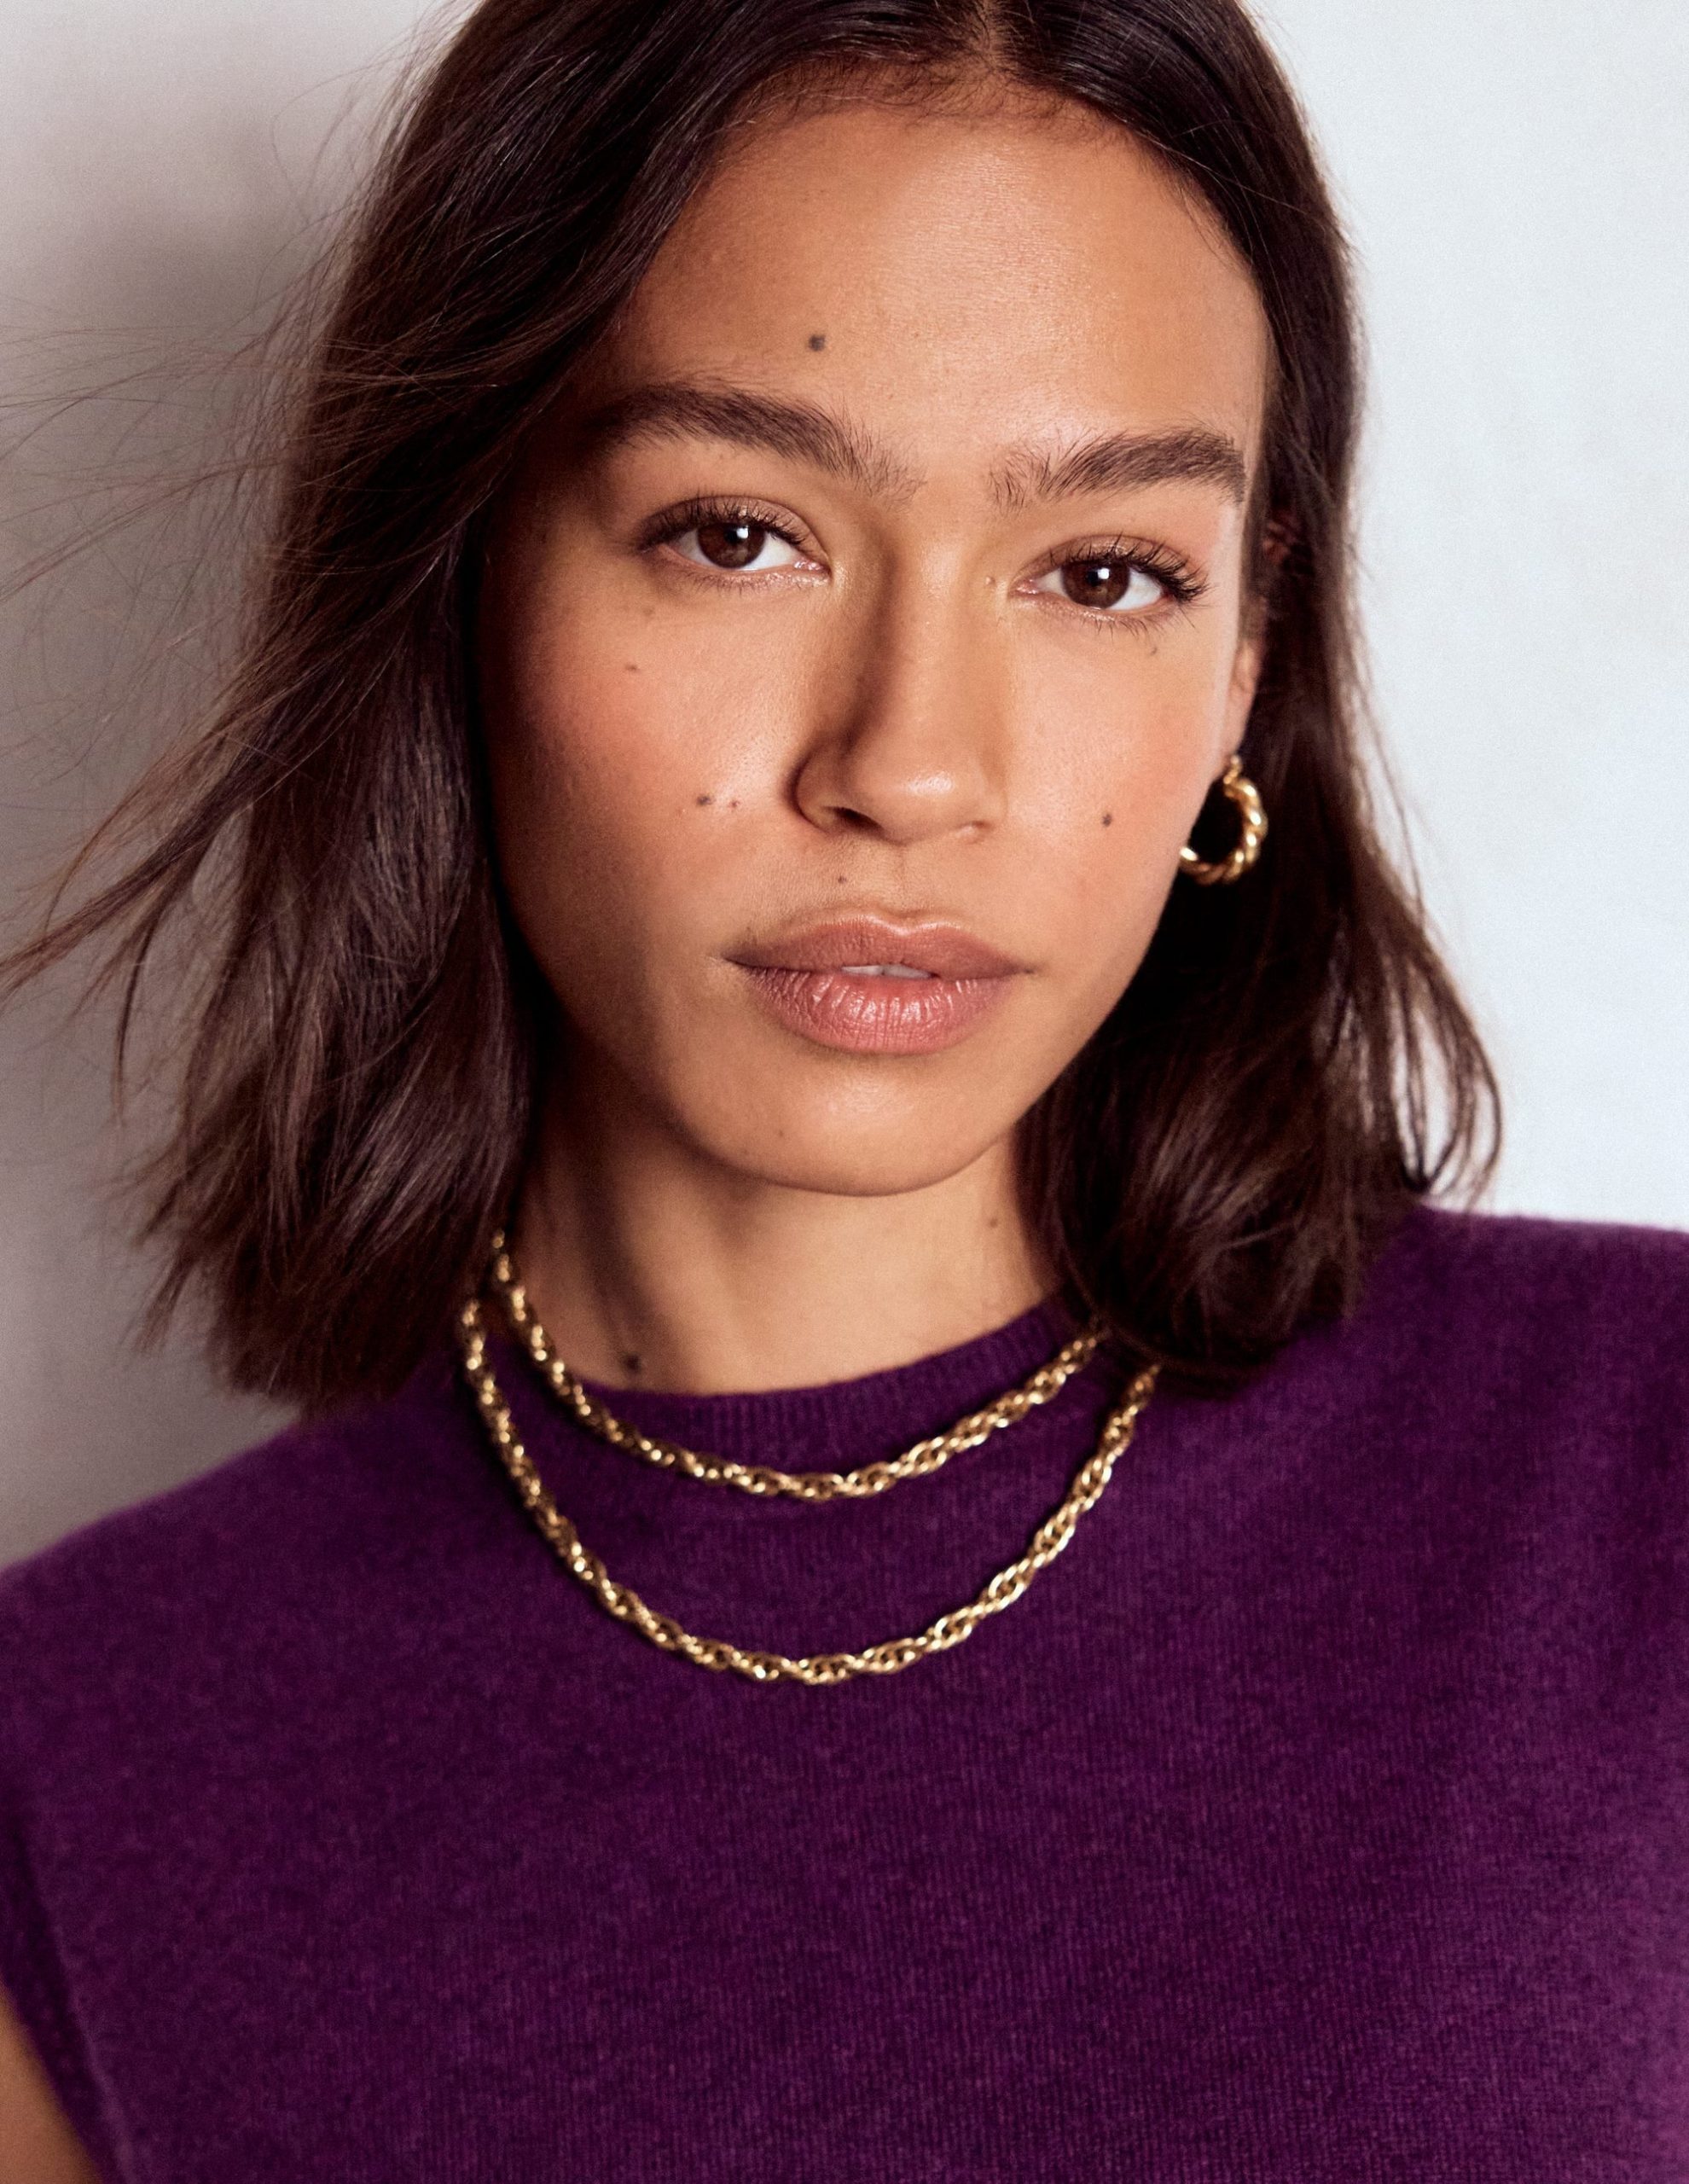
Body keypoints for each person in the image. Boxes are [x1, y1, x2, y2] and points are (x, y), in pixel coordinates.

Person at [2, 0, 1686, 2174]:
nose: (908, 765)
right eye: (738, 532)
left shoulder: (1634, 1481)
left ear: (1243, 667)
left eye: (1103, 572)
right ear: (461, 571)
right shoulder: (80, 1774)